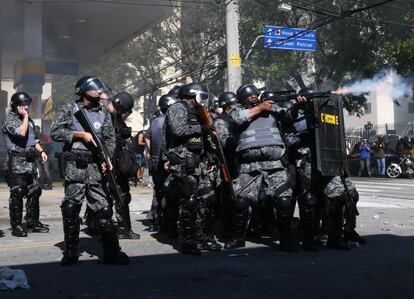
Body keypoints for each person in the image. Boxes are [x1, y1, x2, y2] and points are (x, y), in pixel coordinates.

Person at [51, 76, 129, 265]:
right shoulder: (71, 109)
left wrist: (107, 158)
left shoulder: (103, 113)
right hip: (75, 168)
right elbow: (55, 131)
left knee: (103, 210)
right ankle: (70, 253)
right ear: (85, 91)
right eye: (96, 90)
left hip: (95, 168)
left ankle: (112, 251)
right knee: (71, 208)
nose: (100, 93)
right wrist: (80, 135)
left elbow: (110, 140)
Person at [225, 84, 306, 252]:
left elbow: (288, 119)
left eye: (255, 95)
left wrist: (297, 106)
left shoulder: (273, 109)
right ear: (241, 100)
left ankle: (286, 240)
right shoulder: (236, 111)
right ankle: (238, 238)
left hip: (274, 163)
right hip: (249, 165)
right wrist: (261, 107)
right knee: (241, 202)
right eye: (249, 96)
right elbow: (237, 120)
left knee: (284, 201)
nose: (253, 97)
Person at [164, 82, 221, 255]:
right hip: (183, 162)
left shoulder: (198, 112)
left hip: (200, 162)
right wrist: (202, 128)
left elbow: (205, 138)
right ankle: (188, 241)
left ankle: (204, 237)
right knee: (189, 201)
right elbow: (178, 130)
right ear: (191, 95)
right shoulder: (178, 108)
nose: (203, 101)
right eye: (201, 97)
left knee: (207, 199)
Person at [2, 92, 50, 237]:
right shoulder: (9, 120)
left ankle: (32, 221)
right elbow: (21, 133)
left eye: (27, 105)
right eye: (23, 105)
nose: (26, 108)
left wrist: (41, 151)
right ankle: (16, 225)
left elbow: (32, 140)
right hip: (16, 162)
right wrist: (25, 117)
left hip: (30, 161)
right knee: (17, 193)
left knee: (35, 191)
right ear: (16, 106)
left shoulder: (27, 120)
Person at [106, 91, 140, 239]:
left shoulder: (116, 118)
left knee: (122, 197)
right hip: (107, 163)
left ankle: (123, 228)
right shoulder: (106, 118)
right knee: (107, 199)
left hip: (117, 163)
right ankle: (107, 229)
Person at [145, 94, 177, 231]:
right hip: (167, 161)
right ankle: (168, 223)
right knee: (170, 191)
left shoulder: (155, 121)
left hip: (155, 160)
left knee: (157, 192)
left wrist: (152, 152)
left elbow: (147, 137)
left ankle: (155, 221)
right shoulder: (171, 121)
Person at [214, 91, 238, 238]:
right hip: (227, 163)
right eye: (234, 104)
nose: (237, 106)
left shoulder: (237, 119)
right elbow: (224, 142)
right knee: (229, 197)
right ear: (228, 106)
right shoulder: (221, 121)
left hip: (239, 162)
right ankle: (228, 230)